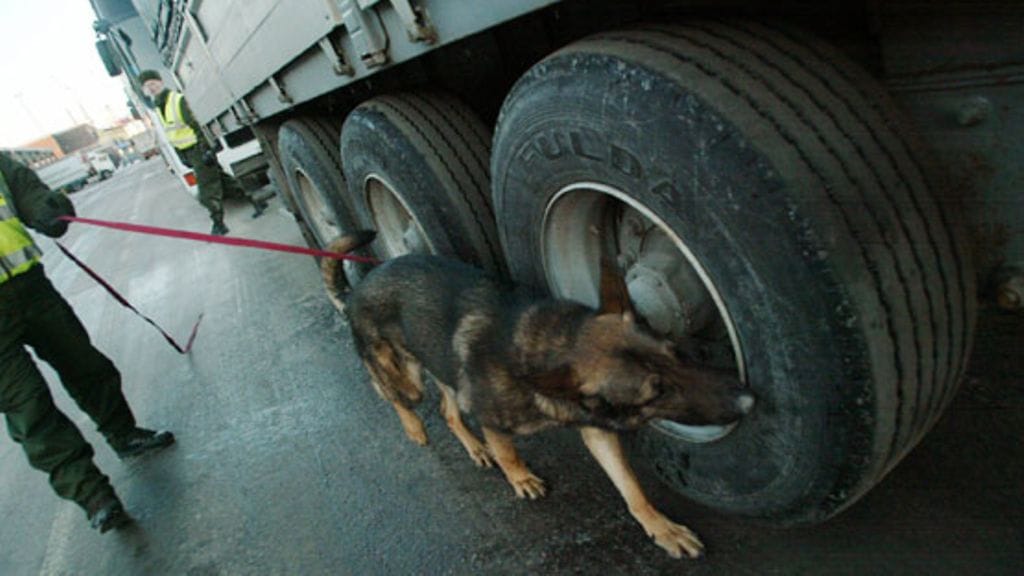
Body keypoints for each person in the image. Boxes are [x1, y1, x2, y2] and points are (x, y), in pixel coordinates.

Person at [0, 152, 175, 532]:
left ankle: (124, 434)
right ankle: (95, 497)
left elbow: (27, 193)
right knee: (30, 411)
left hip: (30, 289)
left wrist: (48, 209)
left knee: (86, 367)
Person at [137, 69, 267, 236]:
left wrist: (206, 150)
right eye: (147, 87)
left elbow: (196, 126)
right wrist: (181, 156)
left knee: (206, 191)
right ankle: (257, 202)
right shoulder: (158, 107)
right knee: (227, 184)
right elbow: (172, 134)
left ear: (161, 82)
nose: (151, 88)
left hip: (199, 149)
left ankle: (218, 224)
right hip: (188, 152)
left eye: (153, 84)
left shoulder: (176, 100)